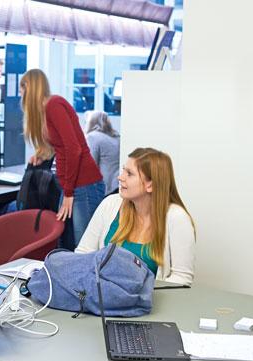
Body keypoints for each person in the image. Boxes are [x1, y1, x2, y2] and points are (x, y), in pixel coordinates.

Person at [75, 148, 196, 285]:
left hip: (150, 303)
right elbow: (83, 253)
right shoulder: (110, 204)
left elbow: (182, 278)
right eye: (123, 170)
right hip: (103, 298)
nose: (120, 177)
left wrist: (138, 295)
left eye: (130, 174)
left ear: (151, 185)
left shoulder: (177, 218)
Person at [19, 68, 105, 249]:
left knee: (84, 247)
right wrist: (43, 154)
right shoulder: (47, 109)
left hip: (83, 185)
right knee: (64, 243)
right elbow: (62, 146)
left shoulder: (54, 105)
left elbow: (74, 149)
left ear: (27, 87)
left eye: (21, 92)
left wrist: (68, 193)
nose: (21, 97)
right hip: (71, 185)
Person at [84, 110, 120, 195]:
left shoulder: (92, 137)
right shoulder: (117, 137)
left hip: (104, 188)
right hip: (118, 186)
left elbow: (91, 166)